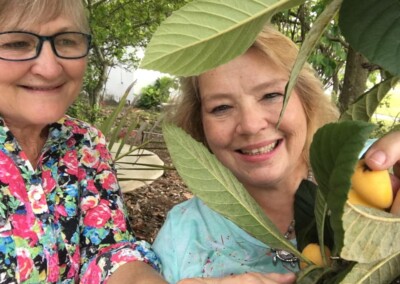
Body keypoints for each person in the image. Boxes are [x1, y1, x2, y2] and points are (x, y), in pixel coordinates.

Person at [152, 24, 400, 284]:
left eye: (271, 95)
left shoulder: (370, 169)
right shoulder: (183, 234)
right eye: (221, 107)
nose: (250, 125)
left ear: (306, 101)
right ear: (199, 124)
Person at [0, 1, 167, 283]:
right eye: (18, 43)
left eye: (66, 41)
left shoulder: (85, 144)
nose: (50, 69)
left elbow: (107, 250)